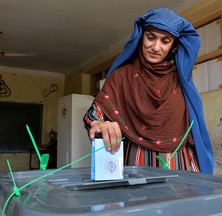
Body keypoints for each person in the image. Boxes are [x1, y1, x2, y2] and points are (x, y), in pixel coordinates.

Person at [83, 7, 214, 174]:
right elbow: (93, 115)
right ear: (141, 37)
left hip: (179, 162)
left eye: (165, 41)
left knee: (181, 200)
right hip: (136, 161)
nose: (156, 47)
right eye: (151, 37)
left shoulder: (181, 80)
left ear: (173, 46)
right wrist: (99, 124)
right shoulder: (121, 76)